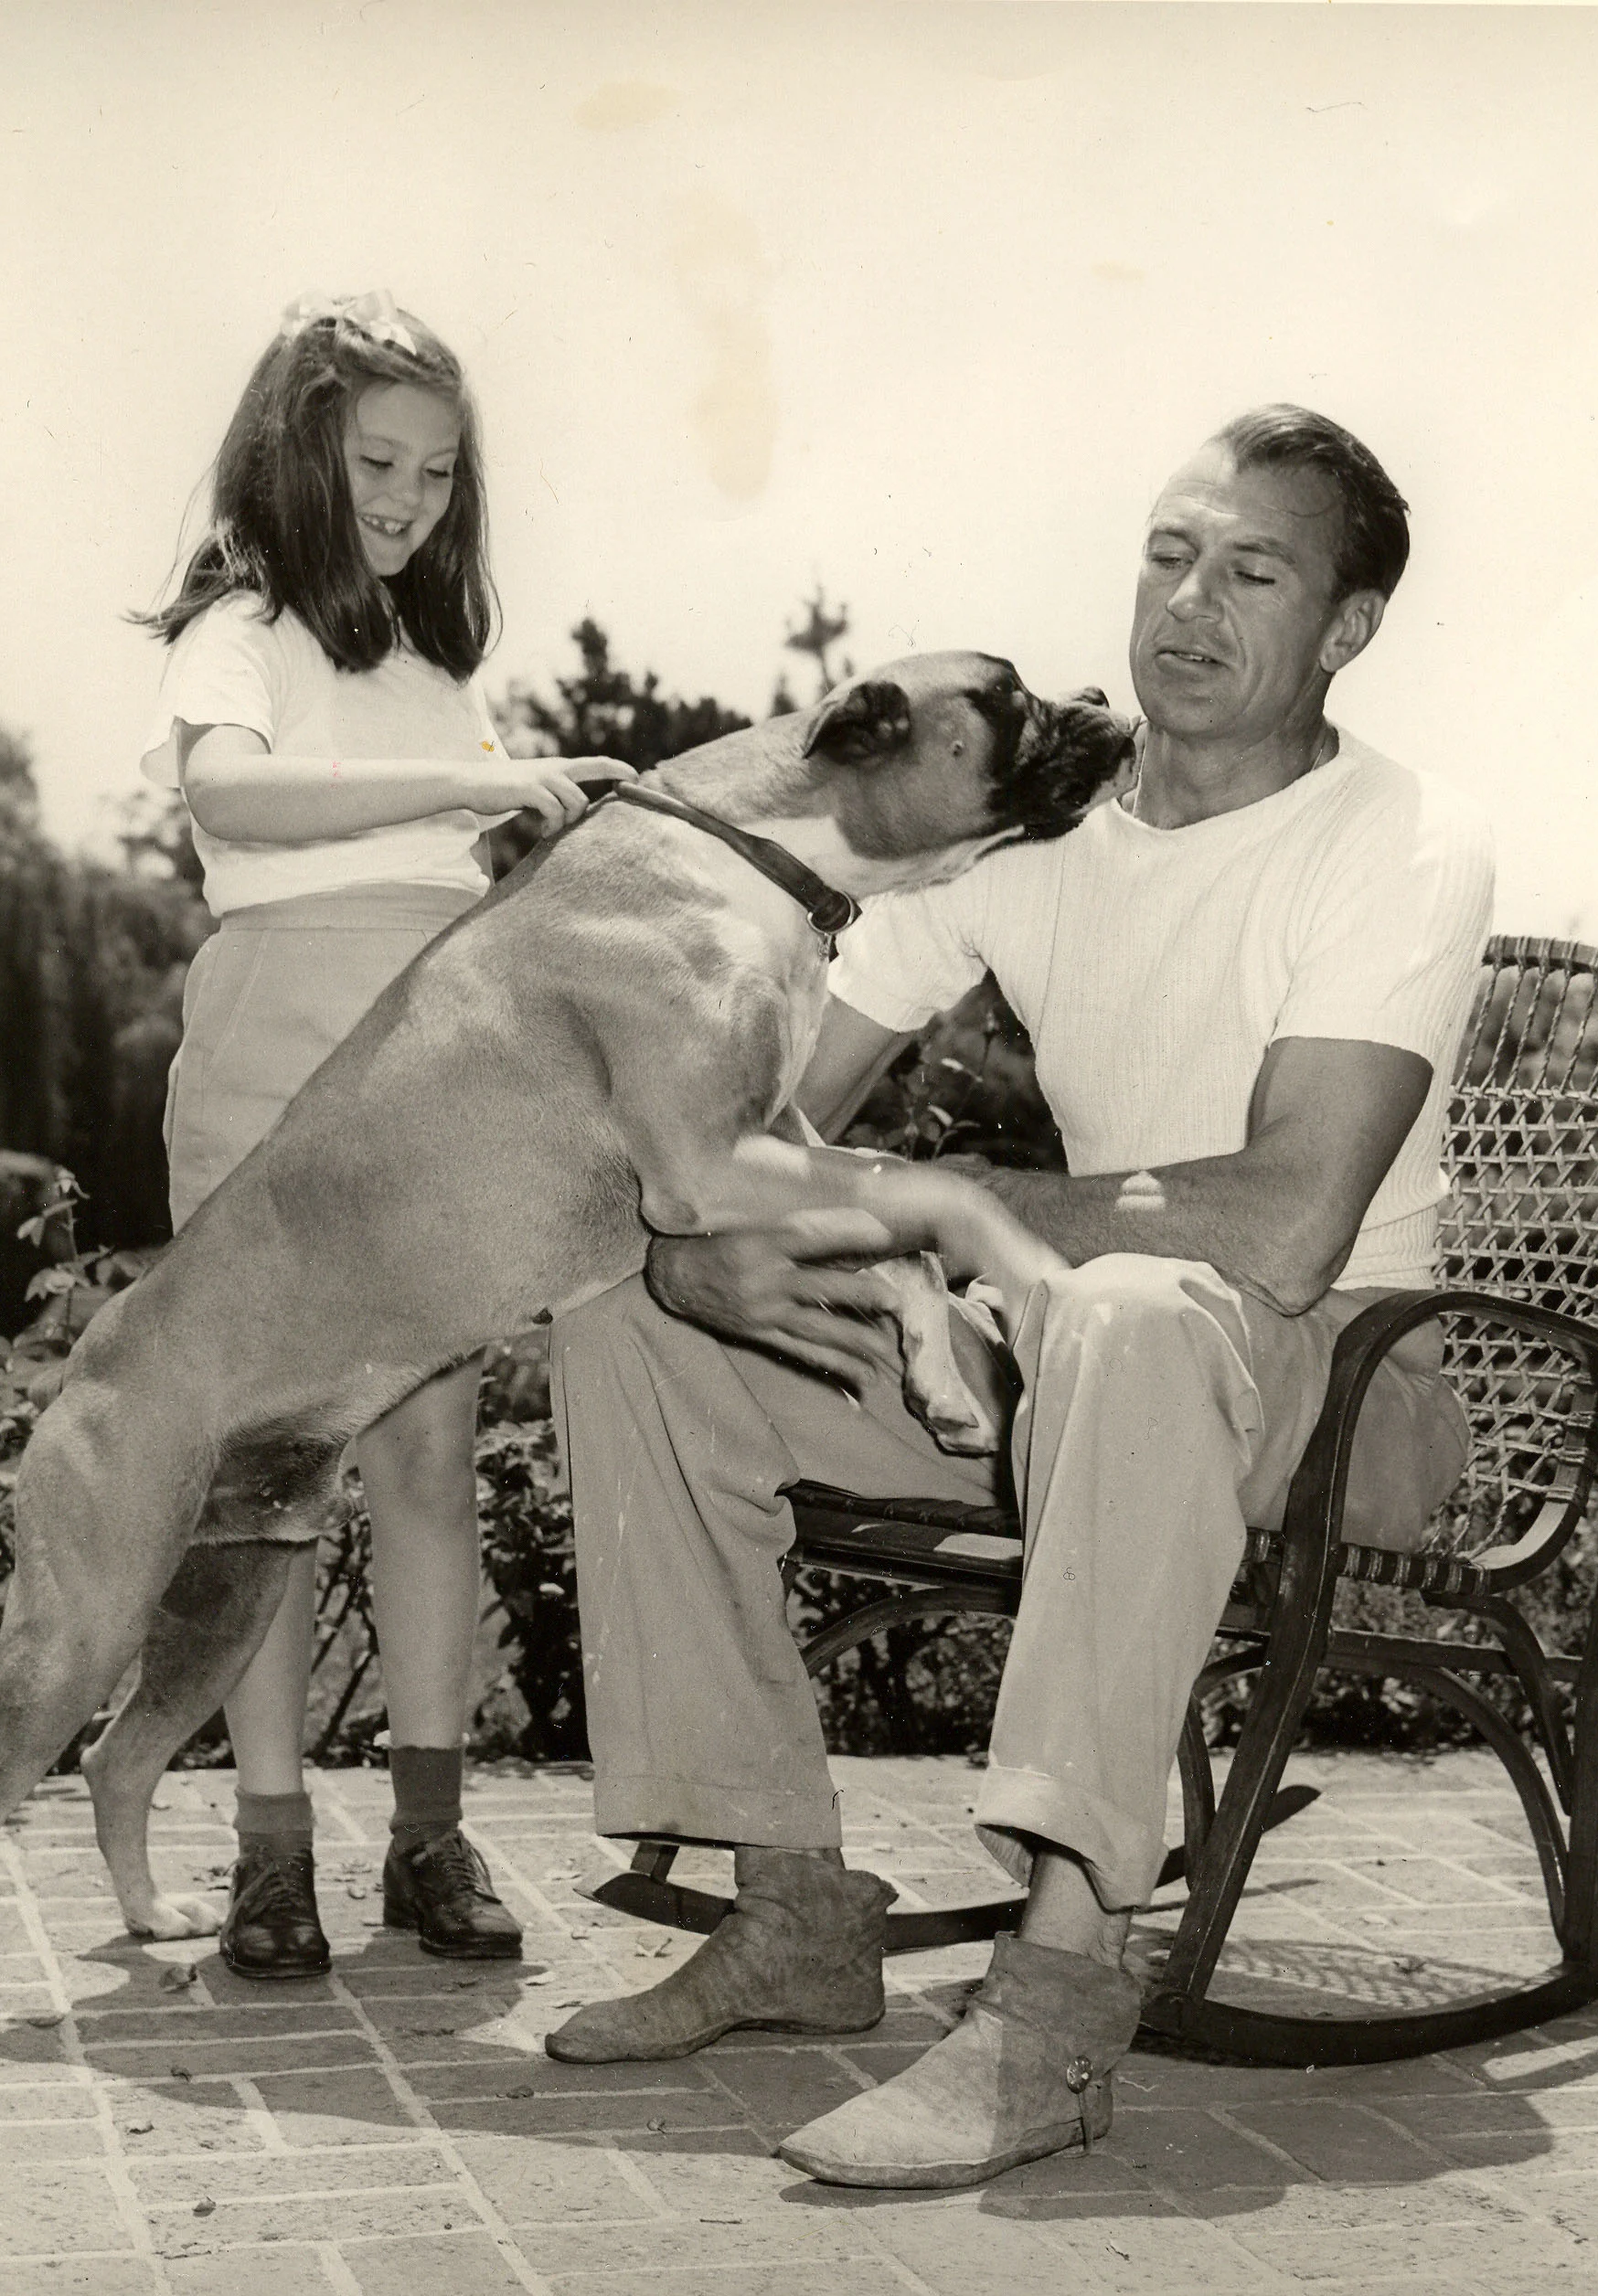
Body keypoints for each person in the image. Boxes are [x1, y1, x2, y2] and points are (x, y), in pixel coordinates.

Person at [542, 406, 1495, 2186]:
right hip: (1067, 1348)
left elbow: (1289, 1224)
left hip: (1343, 1385)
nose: (1186, 605)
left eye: (1252, 572)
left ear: (1347, 627)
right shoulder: (1031, 831)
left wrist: (953, 1203)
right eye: (1166, 553)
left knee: (1132, 1306)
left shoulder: (1403, 837)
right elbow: (771, 1111)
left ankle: (1051, 2015)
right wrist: (696, 1210)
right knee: (631, 1315)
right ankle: (790, 1903)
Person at [127, 290, 630, 1978]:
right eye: (373, 463)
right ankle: (273, 1853)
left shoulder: (437, 666)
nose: (406, 500)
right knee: (267, 1477)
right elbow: (230, 796)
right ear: (296, 454)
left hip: (431, 1073)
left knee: (424, 1456)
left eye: (434, 470)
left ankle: (432, 1834)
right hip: (276, 1054)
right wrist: (467, 787)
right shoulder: (244, 627)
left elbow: (471, 870)